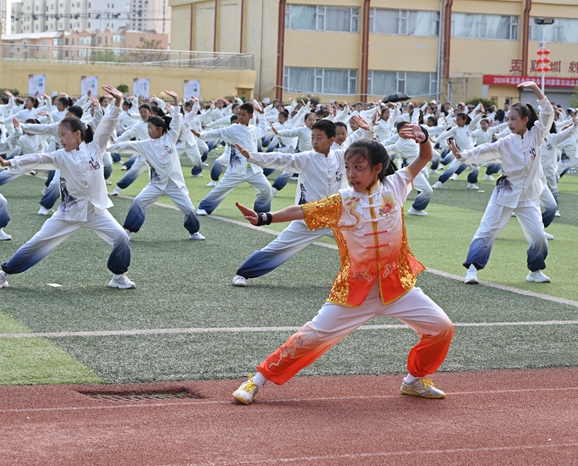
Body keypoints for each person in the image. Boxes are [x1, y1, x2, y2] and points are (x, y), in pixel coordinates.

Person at [231, 125, 454, 405]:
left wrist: (424, 138)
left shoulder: (396, 185)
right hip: (355, 292)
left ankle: (415, 380)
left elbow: (424, 158)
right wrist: (265, 217)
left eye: (359, 168)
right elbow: (303, 210)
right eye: (348, 168)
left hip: (398, 287)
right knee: (309, 337)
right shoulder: (344, 201)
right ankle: (256, 380)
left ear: (377, 168)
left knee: (442, 328)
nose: (351, 174)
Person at [0, 85, 135, 290]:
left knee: (121, 238)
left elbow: (108, 124)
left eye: (63, 135)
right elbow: (39, 158)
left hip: (96, 211)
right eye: (59, 135)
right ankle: (3, 274)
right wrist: (11, 162)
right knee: (37, 242)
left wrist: (117, 103)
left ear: (77, 134)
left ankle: (118, 276)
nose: (60, 139)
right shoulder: (61, 156)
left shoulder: (95, 148)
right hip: (68, 213)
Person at [231, 117, 372, 287]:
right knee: (278, 247)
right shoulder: (306, 158)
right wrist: (252, 157)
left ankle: (373, 280)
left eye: (319, 138)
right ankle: (242, 274)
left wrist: (367, 131)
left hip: (338, 219)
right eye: (312, 137)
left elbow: (360, 147)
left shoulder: (342, 156)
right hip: (308, 219)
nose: (314, 141)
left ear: (331, 140)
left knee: (365, 244)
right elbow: (281, 159)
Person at [447, 82, 554, 285]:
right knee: (487, 230)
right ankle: (472, 269)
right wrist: (463, 155)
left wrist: (534, 87)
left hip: (528, 196)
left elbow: (548, 112)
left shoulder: (537, 135)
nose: (510, 123)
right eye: (507, 119)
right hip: (504, 193)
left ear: (525, 119)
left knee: (539, 236)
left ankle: (535, 271)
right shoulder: (506, 141)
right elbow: (485, 150)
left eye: (514, 119)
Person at [108, 91, 205, 241]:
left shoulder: (170, 137)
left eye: (150, 128)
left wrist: (176, 101)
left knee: (190, 210)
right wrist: (105, 148)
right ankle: (128, 231)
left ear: (160, 129)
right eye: (147, 128)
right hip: (156, 184)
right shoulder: (145, 145)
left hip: (175, 185)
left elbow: (177, 120)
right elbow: (125, 145)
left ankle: (194, 233)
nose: (148, 131)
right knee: (138, 202)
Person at [193, 102, 272, 216]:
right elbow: (219, 132)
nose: (240, 117)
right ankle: (204, 208)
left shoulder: (253, 129)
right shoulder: (234, 128)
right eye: (239, 114)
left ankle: (261, 211)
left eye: (243, 115)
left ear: (251, 116)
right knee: (220, 189)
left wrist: (262, 115)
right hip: (236, 169)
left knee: (266, 188)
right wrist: (202, 135)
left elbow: (263, 130)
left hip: (253, 170)